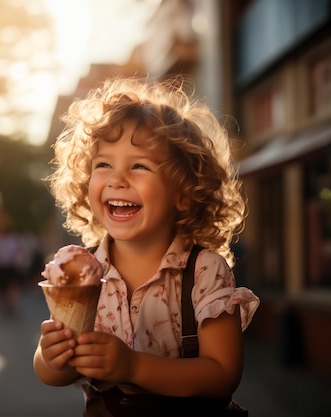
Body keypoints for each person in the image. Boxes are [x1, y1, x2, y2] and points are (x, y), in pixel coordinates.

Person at [33, 76, 260, 416]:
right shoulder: (82, 274)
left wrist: (133, 367)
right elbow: (57, 374)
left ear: (184, 192)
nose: (117, 178)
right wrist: (51, 356)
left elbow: (223, 374)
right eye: (103, 164)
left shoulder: (203, 271)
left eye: (139, 166)